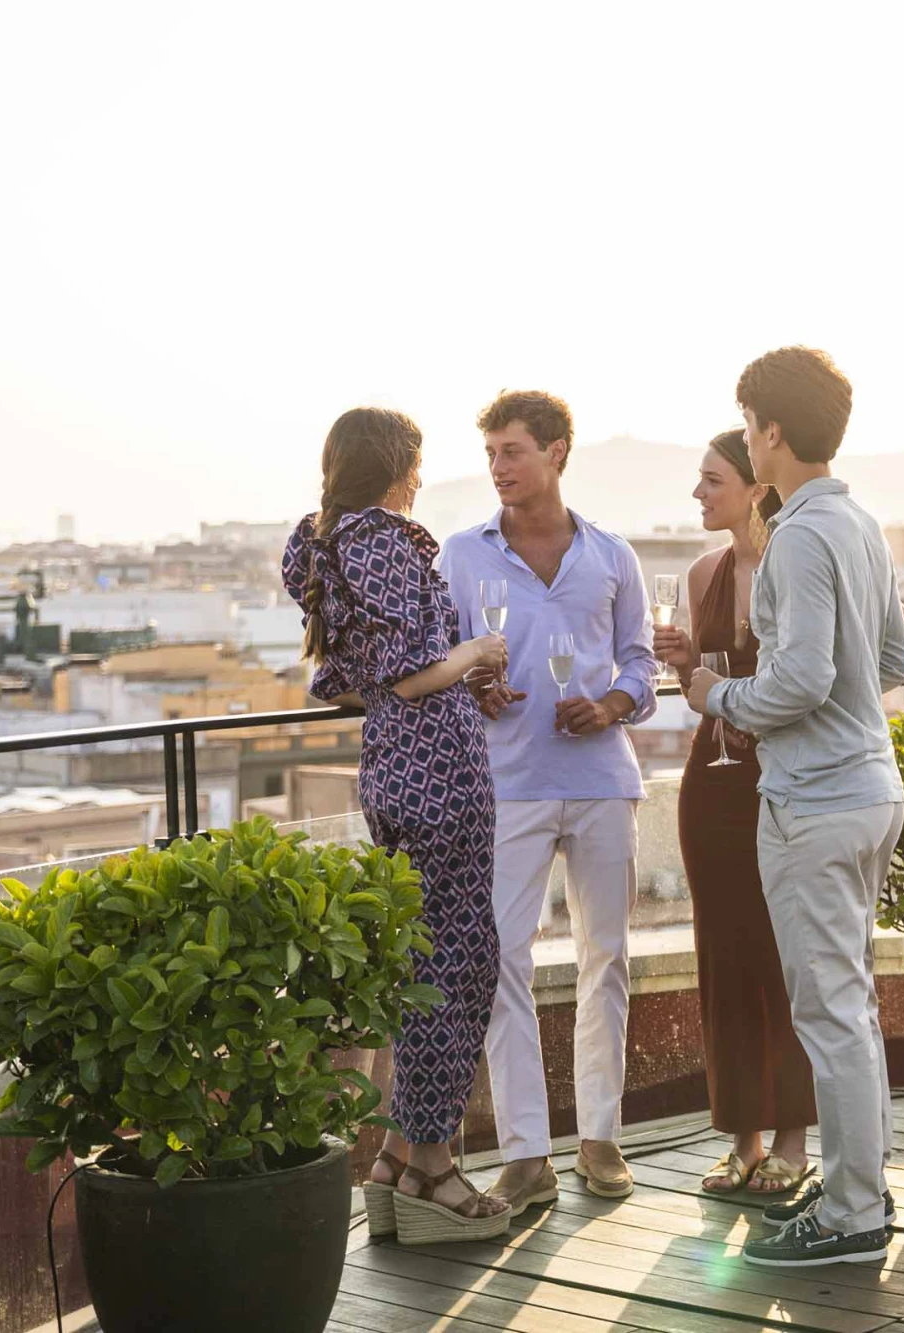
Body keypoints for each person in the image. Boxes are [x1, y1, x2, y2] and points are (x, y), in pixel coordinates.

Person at [657, 430, 904, 1201]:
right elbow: (708, 684)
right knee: (729, 959)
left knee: (802, 975)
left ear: (755, 481)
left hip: (796, 783)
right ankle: (747, 1141)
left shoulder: (808, 546)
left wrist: (776, 707)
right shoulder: (707, 569)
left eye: (713, 478)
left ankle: (803, 1151)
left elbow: (900, 652)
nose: (699, 494)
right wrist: (689, 669)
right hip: (717, 785)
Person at [281, 407, 512, 1245]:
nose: (421, 476)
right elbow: (411, 674)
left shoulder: (325, 540)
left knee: (428, 961)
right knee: (456, 967)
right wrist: (477, 656)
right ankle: (432, 1169)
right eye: (415, 461)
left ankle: (393, 1161)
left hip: (393, 765)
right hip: (436, 770)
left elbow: (364, 677)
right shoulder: (384, 538)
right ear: (393, 463)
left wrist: (463, 677)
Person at [440, 389, 659, 1211]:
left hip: (602, 779)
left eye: (512, 451)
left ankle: (601, 1136)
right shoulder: (462, 555)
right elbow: (442, 661)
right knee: (501, 961)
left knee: (608, 956)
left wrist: (611, 704)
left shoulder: (611, 556)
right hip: (507, 786)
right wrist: (475, 690)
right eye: (491, 452)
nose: (498, 467)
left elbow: (640, 661)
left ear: (557, 451)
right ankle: (527, 1152)